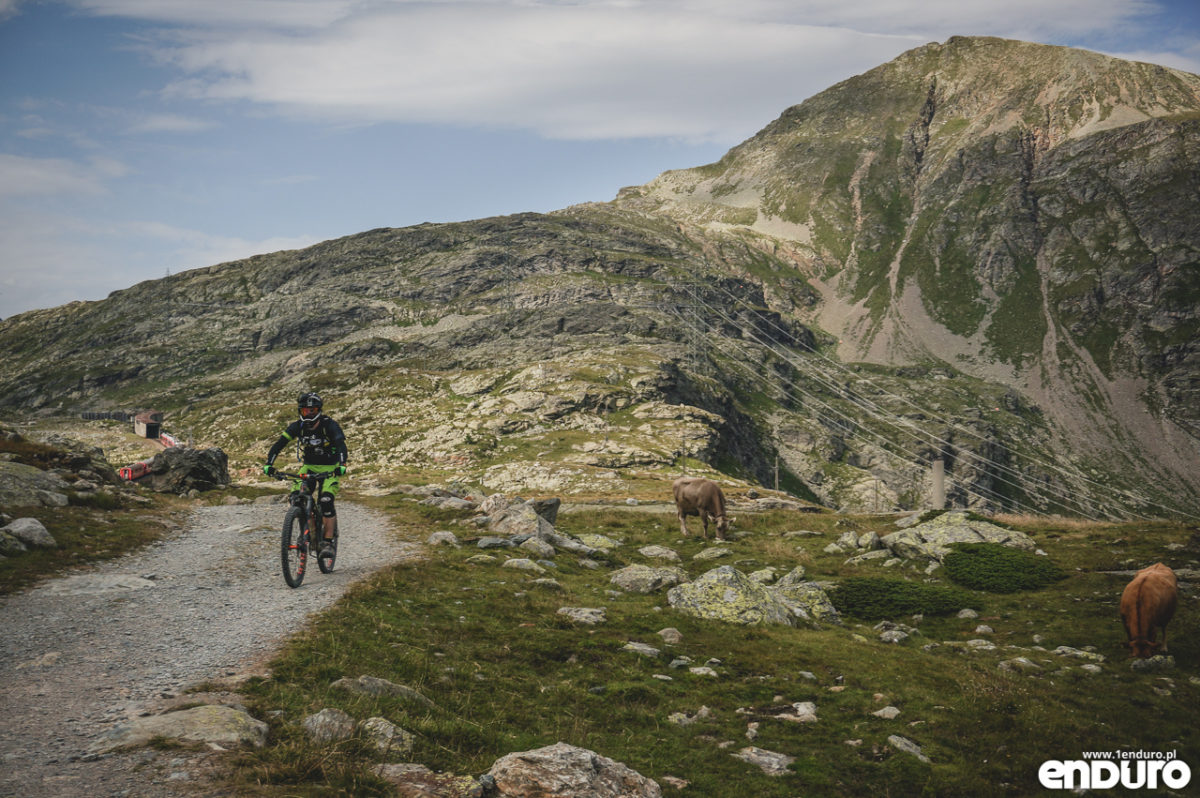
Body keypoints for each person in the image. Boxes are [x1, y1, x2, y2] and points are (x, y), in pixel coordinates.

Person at [264, 392, 348, 556]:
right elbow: (279, 444)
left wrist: (342, 464)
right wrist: (269, 464)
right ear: (300, 411)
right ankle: (310, 532)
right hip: (308, 467)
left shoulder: (329, 425)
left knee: (326, 501)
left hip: (330, 469)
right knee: (297, 497)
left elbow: (340, 445)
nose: (309, 413)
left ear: (319, 410)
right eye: (305, 410)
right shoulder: (297, 427)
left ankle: (328, 543)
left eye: (313, 410)